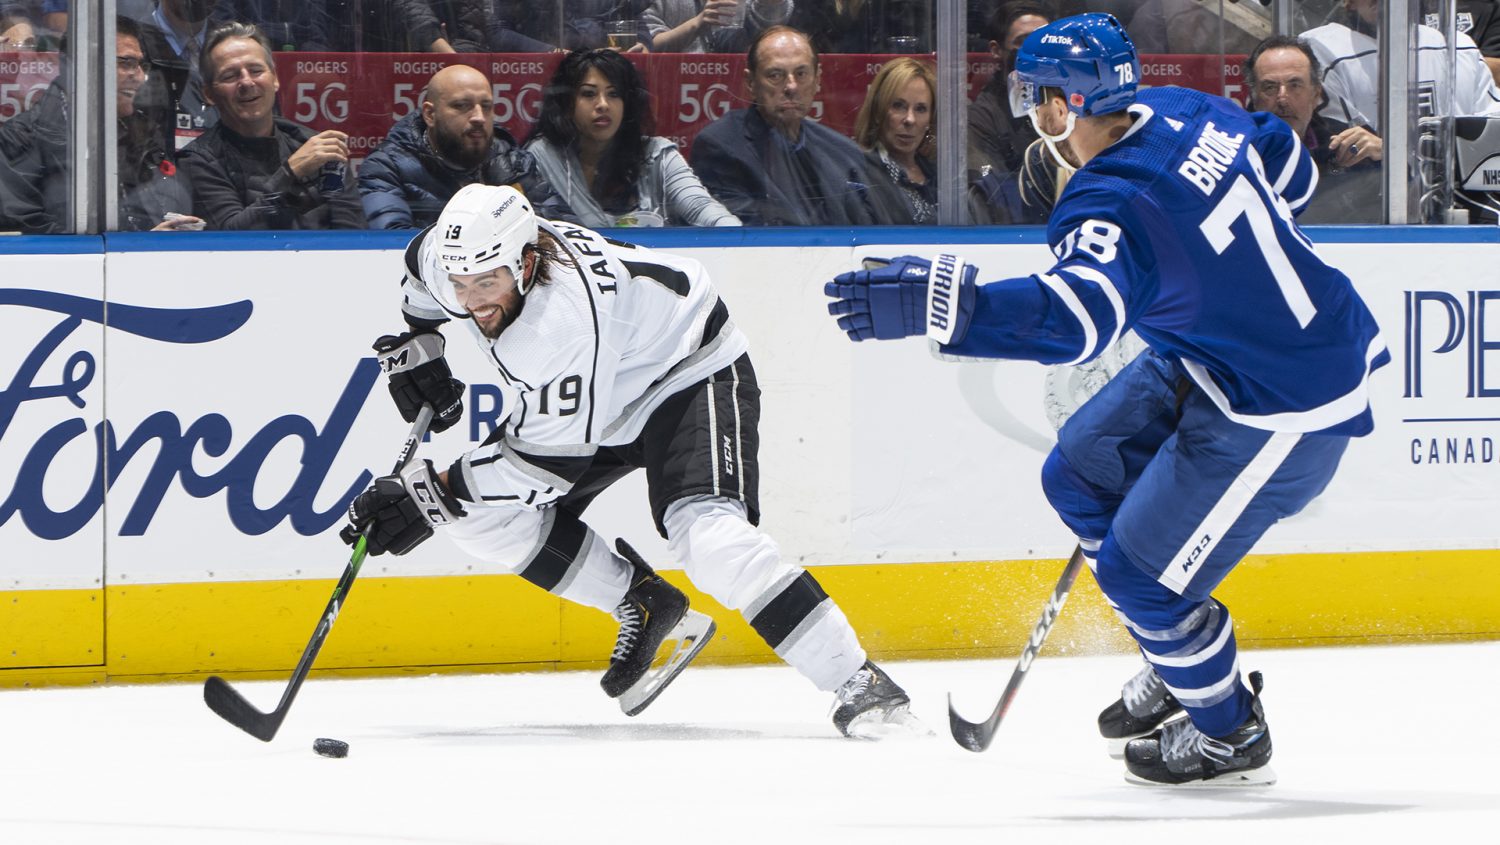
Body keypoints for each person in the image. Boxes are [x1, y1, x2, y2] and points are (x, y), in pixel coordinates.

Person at [825, 13, 1389, 784]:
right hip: (1228, 356)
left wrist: (949, 306)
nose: (1032, 115)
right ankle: (1175, 649)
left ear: (1063, 105)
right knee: (1079, 472)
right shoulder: (1187, 107)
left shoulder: (1109, 198)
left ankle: (1230, 731)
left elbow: (1075, 320)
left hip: (1283, 401)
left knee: (1137, 578)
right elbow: (1291, 167)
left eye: (1036, 98)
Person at [340, 183, 917, 737]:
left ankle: (859, 682)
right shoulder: (453, 261)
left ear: (525, 262)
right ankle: (640, 600)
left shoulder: (557, 325)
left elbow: (544, 469)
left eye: (487, 283)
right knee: (478, 515)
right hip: (603, 392)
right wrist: (419, 345)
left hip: (686, 372)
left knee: (711, 541)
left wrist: (429, 491)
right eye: (461, 284)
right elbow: (422, 281)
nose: (472, 301)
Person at [0, 16, 201, 233]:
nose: (140, 76)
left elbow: (148, 208)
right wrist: (137, 246)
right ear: (80, 64)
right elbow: (25, 234)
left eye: (142, 65)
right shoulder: (20, 138)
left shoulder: (140, 133)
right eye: (127, 63)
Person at [177, 21, 365, 229]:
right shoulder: (198, 160)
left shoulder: (317, 148)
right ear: (208, 94)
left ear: (275, 79)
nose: (247, 83)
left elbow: (352, 234)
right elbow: (231, 240)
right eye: (230, 76)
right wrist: (291, 173)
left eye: (256, 70)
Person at [525, 49, 740, 228]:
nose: (603, 104)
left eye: (614, 94)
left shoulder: (659, 156)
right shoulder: (542, 156)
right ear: (566, 104)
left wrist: (739, 240)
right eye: (589, 94)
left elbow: (701, 207)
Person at [690, 25, 881, 225]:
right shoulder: (720, 147)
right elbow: (745, 239)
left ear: (817, 79)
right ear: (750, 83)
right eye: (775, 75)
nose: (791, 87)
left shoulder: (843, 152)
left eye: (801, 74)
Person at [358, 64, 572, 230]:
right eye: (462, 106)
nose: (479, 117)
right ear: (430, 114)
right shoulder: (385, 167)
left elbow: (562, 229)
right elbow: (392, 244)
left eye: (486, 106)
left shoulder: (512, 160)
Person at [1302, 0, 1500, 133]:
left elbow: (1492, 127)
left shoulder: (1460, 47)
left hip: (1455, 192)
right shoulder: (1318, 50)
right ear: (1348, 1)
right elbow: (1338, 144)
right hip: (1367, 192)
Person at [1246, 34, 1381, 224]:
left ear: (1316, 93)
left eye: (1295, 85)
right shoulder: (1233, 149)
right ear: (1253, 95)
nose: (1282, 99)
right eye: (1270, 87)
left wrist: (1385, 159)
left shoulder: (1345, 142)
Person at [852, 56, 936, 224]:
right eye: (898, 106)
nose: (910, 119)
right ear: (878, 111)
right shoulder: (859, 175)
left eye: (920, 109)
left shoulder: (939, 175)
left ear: (930, 119)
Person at [643, 0, 791, 53]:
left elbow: (770, 32)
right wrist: (697, 23)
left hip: (740, 80)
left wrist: (772, 4)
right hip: (677, 80)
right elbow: (649, 44)